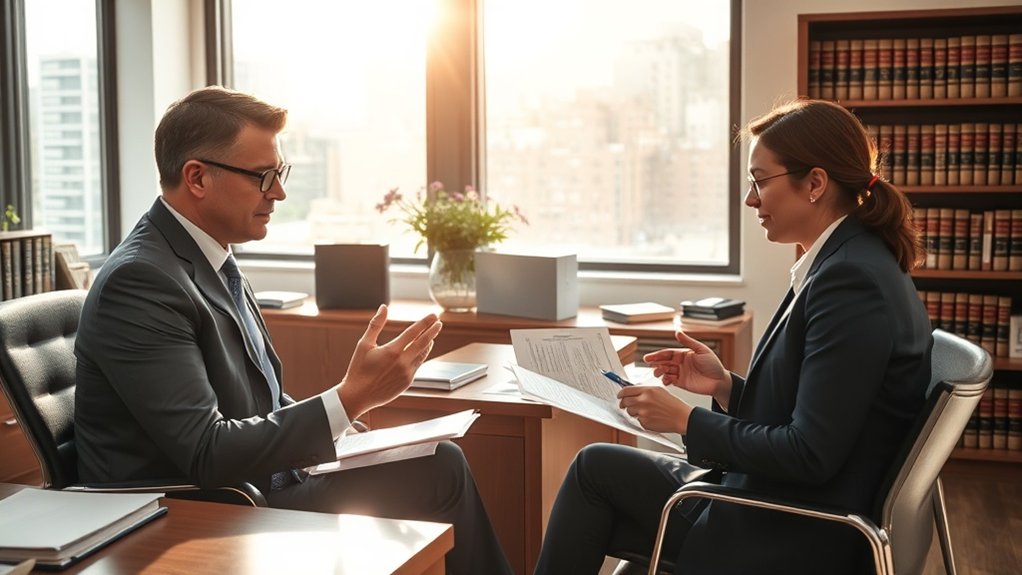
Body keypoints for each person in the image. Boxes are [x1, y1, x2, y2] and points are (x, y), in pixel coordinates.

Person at [74, 86, 512, 575]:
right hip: (207, 505)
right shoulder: (141, 281)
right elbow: (205, 450)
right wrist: (349, 399)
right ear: (196, 178)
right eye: (263, 177)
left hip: (260, 480)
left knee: (435, 460)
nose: (278, 193)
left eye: (278, 174)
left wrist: (348, 433)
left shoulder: (210, 255)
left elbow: (259, 399)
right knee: (440, 470)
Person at [534, 99, 933, 574]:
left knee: (594, 472)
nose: (750, 199)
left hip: (793, 526)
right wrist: (725, 386)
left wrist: (687, 421)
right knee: (603, 493)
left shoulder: (850, 282)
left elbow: (810, 453)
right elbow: (820, 414)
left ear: (815, 184)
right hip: (786, 501)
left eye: (760, 181)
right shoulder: (844, 261)